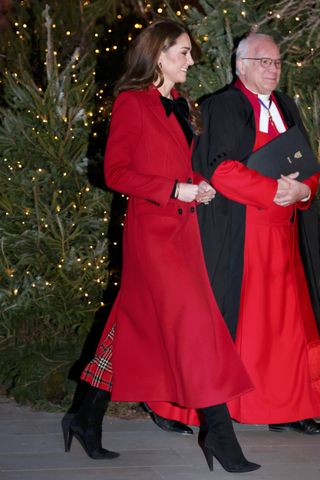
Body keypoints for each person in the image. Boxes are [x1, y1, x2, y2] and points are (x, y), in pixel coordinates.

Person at [61, 19, 261, 473]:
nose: (192, 61)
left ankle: (84, 418)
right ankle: (220, 434)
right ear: (159, 55)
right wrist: (174, 190)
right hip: (153, 236)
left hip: (182, 233)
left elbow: (174, 164)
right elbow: (117, 173)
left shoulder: (179, 103)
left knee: (129, 326)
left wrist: (196, 185)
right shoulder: (132, 103)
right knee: (197, 327)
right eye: (184, 52)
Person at [192, 32, 320, 433]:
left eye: (278, 63)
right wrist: (273, 191)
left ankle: (289, 407)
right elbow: (220, 167)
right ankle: (258, 406)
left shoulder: (286, 105)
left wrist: (304, 190)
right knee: (258, 329)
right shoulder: (221, 107)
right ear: (240, 65)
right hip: (244, 233)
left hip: (286, 235)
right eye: (264, 62)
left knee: (290, 328)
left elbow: (308, 160)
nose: (273, 69)